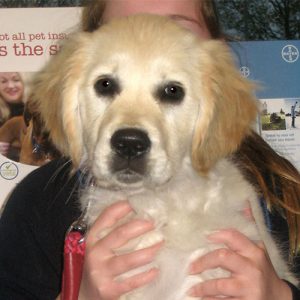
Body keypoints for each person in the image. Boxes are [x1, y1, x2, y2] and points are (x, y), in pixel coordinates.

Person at [0, 1, 299, 300]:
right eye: (105, 85)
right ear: (71, 102)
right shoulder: (38, 204)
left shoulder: (284, 194)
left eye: (171, 91)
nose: (132, 131)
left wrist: (282, 296)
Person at [0, 72, 25, 159]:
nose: (10, 86)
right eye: (3, 81)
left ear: (23, 83)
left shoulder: (34, 112)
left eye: (16, 80)